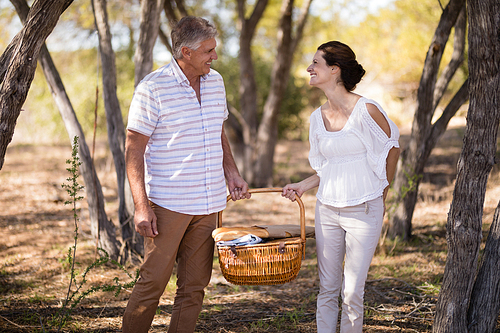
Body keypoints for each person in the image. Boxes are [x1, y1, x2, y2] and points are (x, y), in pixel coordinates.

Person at [122, 16, 250, 333]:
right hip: (169, 205)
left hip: (209, 204)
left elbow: (217, 132)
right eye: (208, 50)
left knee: (194, 288)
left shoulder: (216, 81)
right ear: (185, 52)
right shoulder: (152, 89)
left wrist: (231, 172)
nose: (214, 57)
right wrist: (141, 206)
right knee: (152, 283)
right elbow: (133, 149)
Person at [282, 41, 400, 332]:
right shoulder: (316, 118)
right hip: (327, 212)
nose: (309, 68)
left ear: (334, 70)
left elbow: (392, 150)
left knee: (351, 293)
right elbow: (328, 168)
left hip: (364, 210)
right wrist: (302, 185)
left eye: (315, 63)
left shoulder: (366, 110)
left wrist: (380, 197)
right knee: (327, 289)